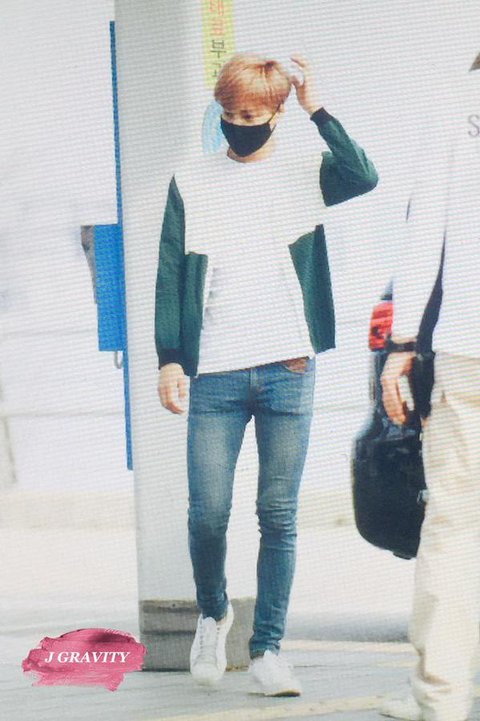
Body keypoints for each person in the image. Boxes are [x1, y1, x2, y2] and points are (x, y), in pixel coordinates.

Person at [155, 52, 378, 696]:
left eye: (252, 115)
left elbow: (363, 175)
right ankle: (212, 613)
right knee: (207, 514)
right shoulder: (192, 180)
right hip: (215, 373)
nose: (239, 124)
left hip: (288, 366)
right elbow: (170, 270)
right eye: (230, 113)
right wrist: (171, 357)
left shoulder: (305, 171)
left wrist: (317, 108)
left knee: (277, 514)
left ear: (276, 113)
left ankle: (268, 650)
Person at [380, 58, 480, 721]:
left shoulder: (455, 98)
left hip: (470, 350)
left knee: (454, 527)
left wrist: (403, 345)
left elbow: (425, 233)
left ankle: (441, 699)